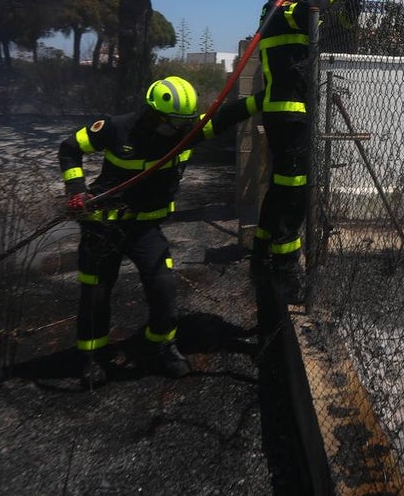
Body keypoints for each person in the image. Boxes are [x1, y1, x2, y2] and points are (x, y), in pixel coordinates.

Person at [59, 75, 260, 389]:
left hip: (144, 228)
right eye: (173, 123)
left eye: (184, 123)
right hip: (103, 226)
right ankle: (92, 355)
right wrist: (75, 190)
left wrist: (264, 98)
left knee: (163, 285)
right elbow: (70, 148)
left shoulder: (186, 133)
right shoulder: (115, 127)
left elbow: (226, 116)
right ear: (152, 115)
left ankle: (162, 345)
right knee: (96, 293)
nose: (179, 130)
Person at [252, 0, 357, 300]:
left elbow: (343, 25)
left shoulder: (278, 15)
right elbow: (312, 7)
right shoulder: (283, 10)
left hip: (285, 115)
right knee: (294, 195)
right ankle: (286, 273)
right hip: (291, 115)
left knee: (280, 190)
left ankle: (261, 256)